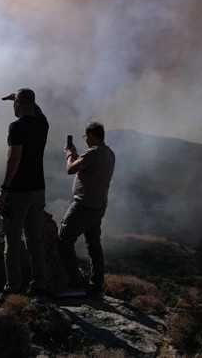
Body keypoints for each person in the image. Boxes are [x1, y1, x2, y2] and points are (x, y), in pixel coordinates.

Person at [0, 88, 49, 296]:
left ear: (18, 104)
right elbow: (38, 110)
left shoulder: (16, 127)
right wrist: (22, 98)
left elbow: (14, 159)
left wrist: (4, 189)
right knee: (34, 238)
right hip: (39, 189)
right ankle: (39, 284)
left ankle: (13, 288)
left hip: (18, 191)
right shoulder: (43, 123)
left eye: (15, 102)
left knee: (13, 240)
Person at [58, 122, 115, 298]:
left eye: (86, 137)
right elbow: (84, 167)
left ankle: (75, 284)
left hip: (84, 204)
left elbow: (71, 169)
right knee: (93, 245)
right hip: (99, 205)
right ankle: (97, 286)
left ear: (91, 135)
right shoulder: (109, 153)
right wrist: (75, 155)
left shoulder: (94, 151)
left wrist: (69, 155)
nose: (86, 140)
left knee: (64, 240)